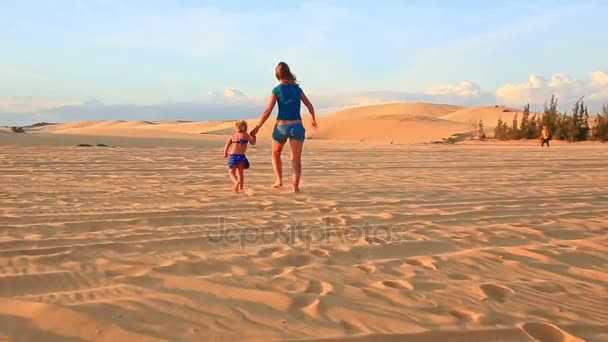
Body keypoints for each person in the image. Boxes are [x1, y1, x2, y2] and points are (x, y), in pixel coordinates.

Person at [249, 62, 317, 193]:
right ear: (288, 73)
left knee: (276, 153)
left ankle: (279, 180)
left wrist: (257, 127)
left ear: (277, 76)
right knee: (296, 159)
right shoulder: (297, 89)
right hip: (297, 126)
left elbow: (268, 110)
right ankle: (295, 187)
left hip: (281, 127)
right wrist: (313, 119)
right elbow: (309, 105)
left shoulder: (277, 90)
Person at [224, 120, 256, 192]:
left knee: (232, 172)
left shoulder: (233, 136)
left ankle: (236, 182)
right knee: (240, 173)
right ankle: (241, 188)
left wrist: (225, 153)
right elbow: (253, 142)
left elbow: (227, 145)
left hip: (233, 156)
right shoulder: (246, 135)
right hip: (241, 156)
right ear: (244, 127)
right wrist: (254, 136)